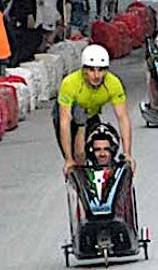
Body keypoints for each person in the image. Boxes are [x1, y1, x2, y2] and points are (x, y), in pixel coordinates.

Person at [54, 44, 135, 176]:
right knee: (79, 156)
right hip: (71, 114)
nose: (96, 75)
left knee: (99, 152)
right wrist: (69, 159)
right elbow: (64, 122)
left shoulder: (113, 83)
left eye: (101, 70)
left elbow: (123, 117)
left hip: (91, 113)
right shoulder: (70, 83)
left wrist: (127, 154)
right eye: (91, 70)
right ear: (84, 70)